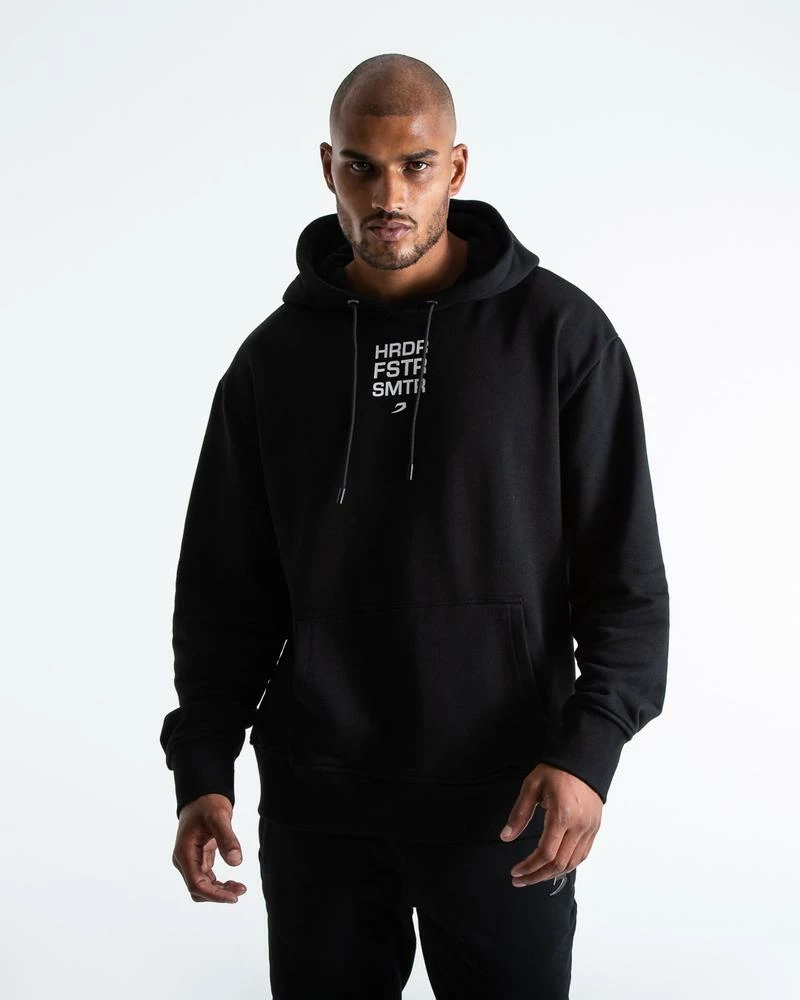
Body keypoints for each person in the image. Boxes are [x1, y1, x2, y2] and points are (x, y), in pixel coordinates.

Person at [159, 52, 670, 1000]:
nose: (387, 194)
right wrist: (203, 767)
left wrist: (589, 752)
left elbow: (627, 580)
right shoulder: (272, 363)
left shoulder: (560, 336)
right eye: (361, 166)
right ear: (328, 168)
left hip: (508, 797)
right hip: (320, 805)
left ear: (457, 167)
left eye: (416, 165)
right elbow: (225, 594)